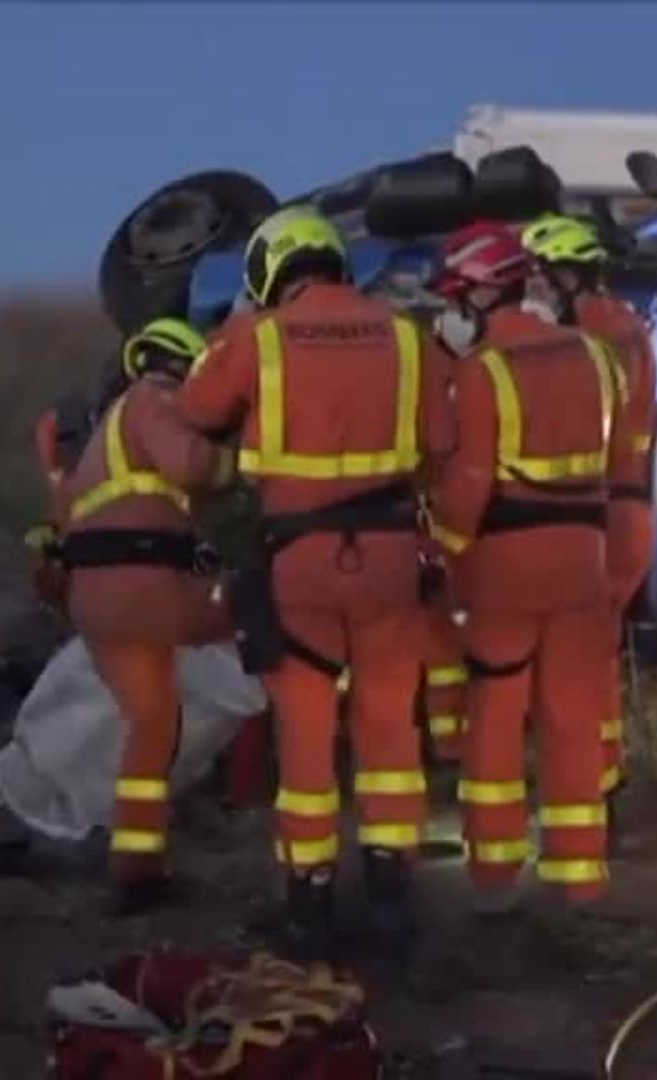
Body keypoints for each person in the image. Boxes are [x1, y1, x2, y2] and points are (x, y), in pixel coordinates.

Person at [175, 206, 455, 960]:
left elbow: (196, 409)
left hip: (299, 561)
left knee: (304, 729)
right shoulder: (408, 336)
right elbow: (440, 441)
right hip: (390, 557)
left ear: (270, 268)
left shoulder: (258, 336)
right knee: (390, 722)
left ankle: (311, 900)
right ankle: (392, 892)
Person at [426, 220, 623, 909]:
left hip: (506, 569)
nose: (453, 311)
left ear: (480, 293)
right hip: (585, 560)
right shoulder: (596, 356)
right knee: (573, 714)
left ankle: (494, 876)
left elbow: (470, 483)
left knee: (497, 715)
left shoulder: (483, 372)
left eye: (456, 297)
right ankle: (579, 877)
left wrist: (442, 547)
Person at [53, 317, 233, 914]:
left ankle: (137, 867)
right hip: (144, 589)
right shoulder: (155, 398)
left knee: (152, 723)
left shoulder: (108, 428)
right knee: (264, 615)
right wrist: (245, 460)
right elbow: (190, 464)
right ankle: (260, 780)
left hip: (99, 596)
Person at [520, 213, 656, 800]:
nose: (533, 288)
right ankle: (602, 776)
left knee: (580, 658)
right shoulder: (619, 324)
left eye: (540, 275)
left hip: (608, 511)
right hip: (620, 508)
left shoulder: (598, 334)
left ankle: (591, 786)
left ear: (570, 274)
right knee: (592, 653)